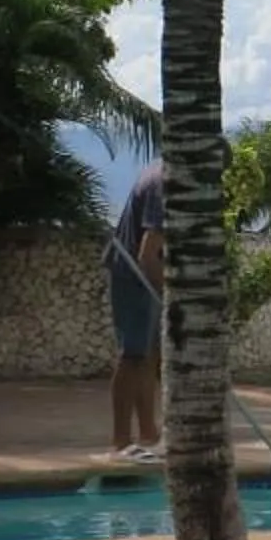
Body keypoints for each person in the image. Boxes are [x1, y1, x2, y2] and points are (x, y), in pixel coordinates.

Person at [106, 159, 166, 463]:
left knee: (148, 352)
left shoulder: (160, 171)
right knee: (132, 353)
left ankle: (148, 434)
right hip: (133, 273)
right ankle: (120, 442)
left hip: (141, 271)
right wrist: (166, 292)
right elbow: (147, 254)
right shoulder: (165, 183)